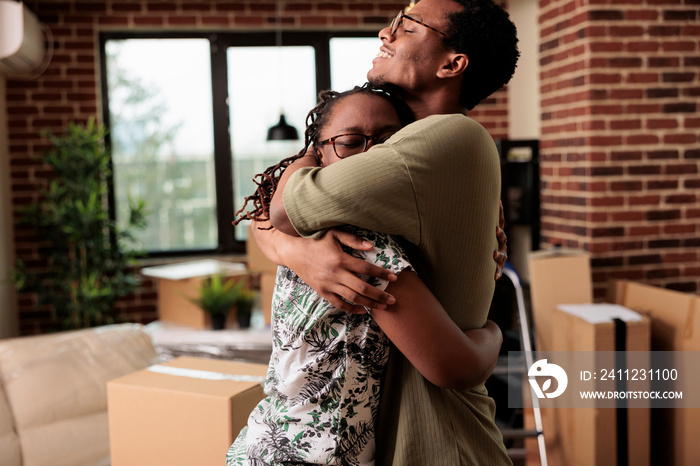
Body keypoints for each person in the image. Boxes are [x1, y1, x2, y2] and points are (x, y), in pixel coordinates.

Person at [260, 0, 520, 464]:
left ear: (453, 63)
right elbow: (269, 215)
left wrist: (314, 149)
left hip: (443, 441)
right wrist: (300, 254)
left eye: (407, 25)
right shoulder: (415, 148)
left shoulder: (447, 138)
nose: (386, 31)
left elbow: (283, 206)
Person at [226, 84, 504, 466]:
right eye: (351, 142)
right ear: (318, 155)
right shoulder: (363, 244)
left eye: (388, 142)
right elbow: (452, 366)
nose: (370, 155)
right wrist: (492, 331)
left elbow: (266, 218)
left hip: (264, 444)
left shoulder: (304, 231)